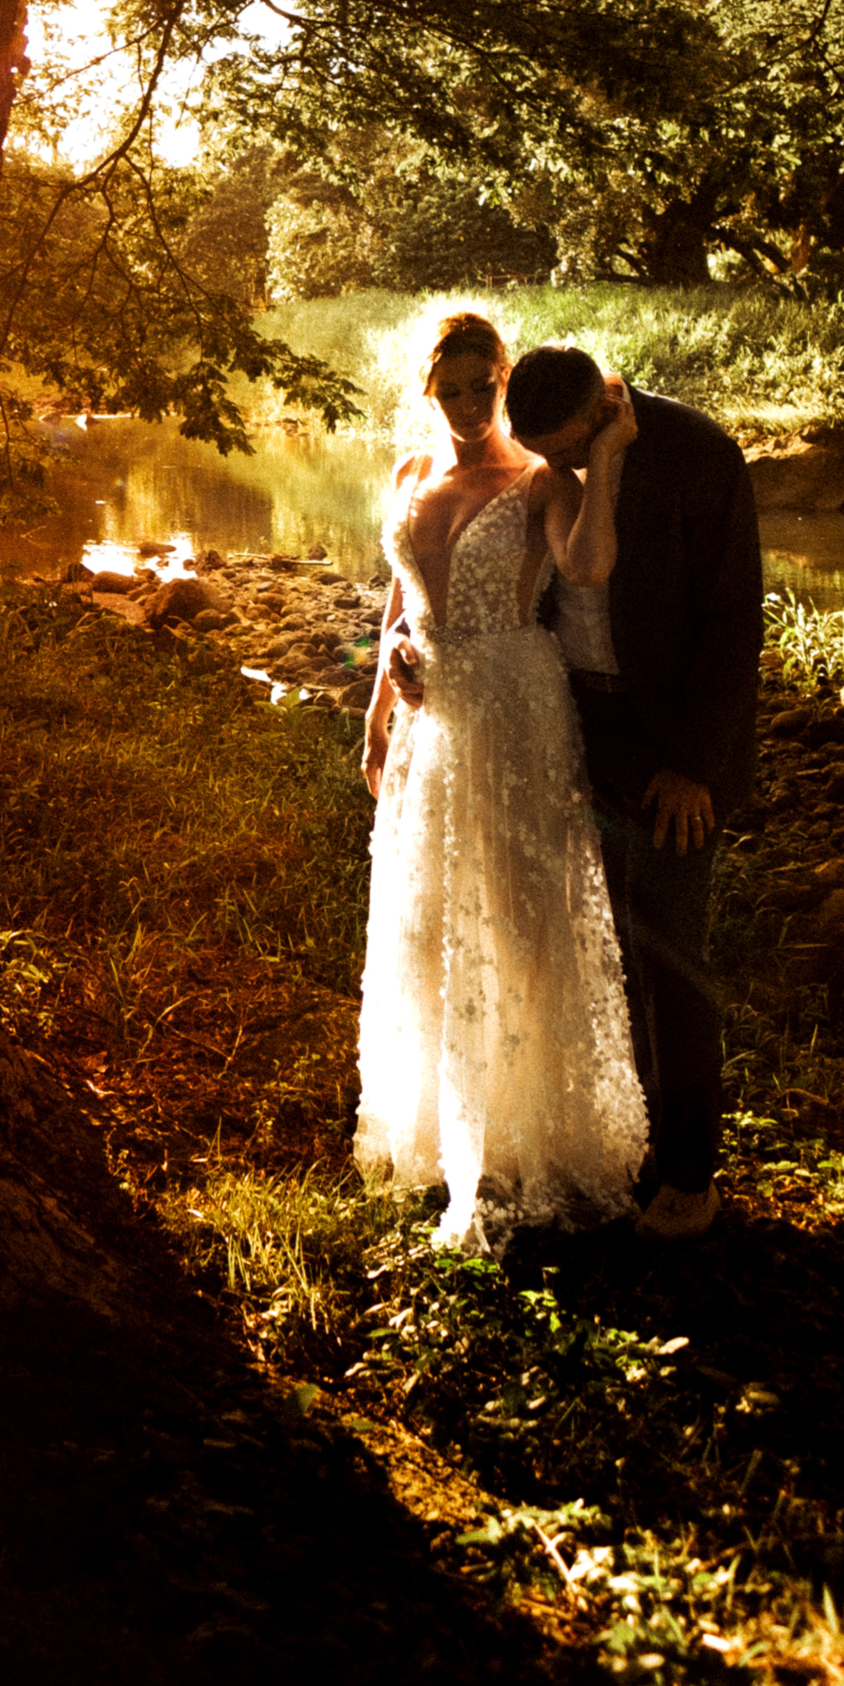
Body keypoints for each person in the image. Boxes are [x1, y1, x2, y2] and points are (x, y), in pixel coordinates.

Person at [357, 311, 646, 1252]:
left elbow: (590, 566)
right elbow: (400, 600)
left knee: (522, 913)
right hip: (428, 715)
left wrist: (605, 456)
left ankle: (533, 1136)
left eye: (488, 386)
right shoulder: (409, 473)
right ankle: (443, 1132)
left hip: (516, 706)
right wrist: (378, 704)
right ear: (428, 386)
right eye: (455, 387)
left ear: (506, 380)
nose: (474, 404)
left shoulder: (538, 482)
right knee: (431, 913)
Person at [504, 343, 763, 1242]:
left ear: (606, 404)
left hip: (671, 754)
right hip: (582, 734)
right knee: (607, 950)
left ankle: (691, 1174)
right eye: (548, 455)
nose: (561, 469)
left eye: (573, 449)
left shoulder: (699, 451)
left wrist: (693, 762)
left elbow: (734, 619)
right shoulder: (551, 460)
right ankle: (640, 1146)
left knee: (671, 960)